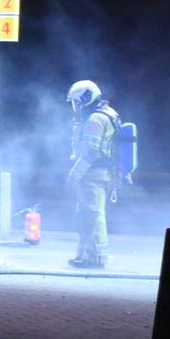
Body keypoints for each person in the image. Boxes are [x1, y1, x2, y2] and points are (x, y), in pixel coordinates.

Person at [66, 79, 120, 269]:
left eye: (76, 102)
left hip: (93, 174)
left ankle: (96, 258)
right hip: (99, 173)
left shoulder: (95, 119)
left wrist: (74, 174)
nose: (75, 107)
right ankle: (85, 256)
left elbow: (91, 152)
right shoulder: (108, 113)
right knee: (87, 215)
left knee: (93, 215)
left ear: (86, 99)